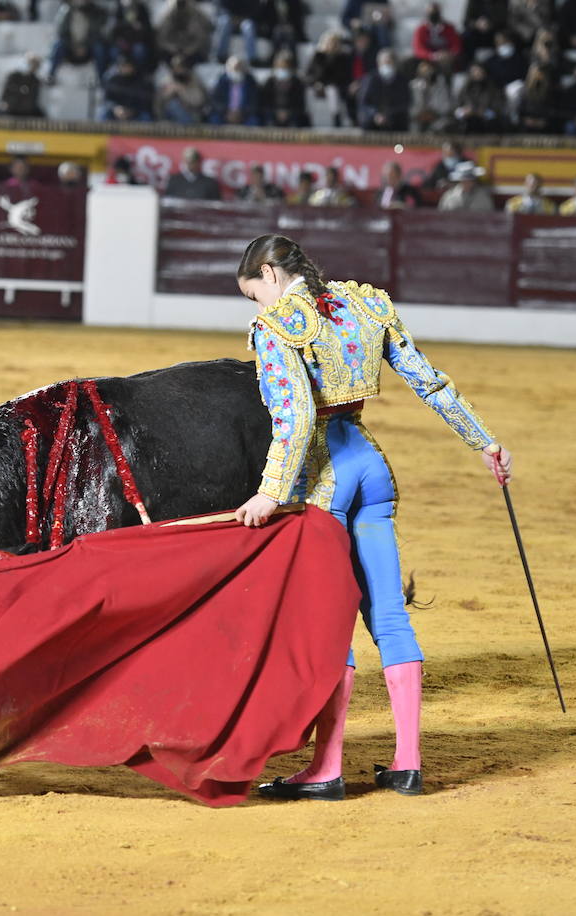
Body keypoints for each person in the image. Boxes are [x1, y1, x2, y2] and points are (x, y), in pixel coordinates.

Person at [234, 234, 512, 800]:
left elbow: (298, 415)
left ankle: (326, 769)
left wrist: (270, 491)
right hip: (371, 466)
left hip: (325, 479)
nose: (258, 307)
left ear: (270, 273)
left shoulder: (278, 326)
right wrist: (485, 442)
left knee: (332, 624)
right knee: (389, 617)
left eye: (254, 294)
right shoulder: (366, 305)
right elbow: (428, 381)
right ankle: (407, 764)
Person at [358, 48, 412, 131]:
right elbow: (364, 102)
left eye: (389, 62)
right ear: (379, 63)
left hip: (395, 118)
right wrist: (375, 115)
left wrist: (388, 115)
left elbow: (406, 102)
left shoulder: (402, 80)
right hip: (373, 120)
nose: (387, 65)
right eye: (384, 62)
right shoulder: (371, 79)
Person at [259, 50, 310, 127]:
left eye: (286, 66)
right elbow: (265, 100)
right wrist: (276, 111)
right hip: (273, 113)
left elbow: (300, 102)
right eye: (280, 66)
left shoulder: (297, 82)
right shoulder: (270, 81)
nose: (283, 69)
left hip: (292, 114)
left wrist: (288, 112)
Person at [154, 0, 213, 66]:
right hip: (173, 50)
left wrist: (188, 50)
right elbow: (162, 37)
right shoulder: (168, 15)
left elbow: (201, 37)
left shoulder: (196, 14)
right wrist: (174, 49)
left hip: (193, 51)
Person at [157, 55, 210, 123]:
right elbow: (159, 103)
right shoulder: (169, 79)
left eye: (180, 67)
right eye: (175, 67)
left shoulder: (194, 79)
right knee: (172, 104)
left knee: (174, 105)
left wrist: (181, 90)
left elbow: (198, 102)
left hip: (193, 117)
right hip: (169, 120)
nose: (178, 70)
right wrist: (168, 94)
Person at [209, 55, 261, 125]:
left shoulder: (250, 82)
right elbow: (215, 101)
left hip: (244, 115)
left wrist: (241, 114)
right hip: (224, 114)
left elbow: (253, 103)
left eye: (239, 68)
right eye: (234, 68)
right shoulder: (222, 82)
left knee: (254, 121)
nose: (236, 71)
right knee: (214, 119)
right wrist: (226, 112)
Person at [0, 53, 47, 117]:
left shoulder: (35, 80)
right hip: (11, 107)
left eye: (36, 65)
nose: (34, 67)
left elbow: (33, 99)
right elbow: (6, 93)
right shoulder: (14, 76)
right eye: (32, 63)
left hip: (26, 110)